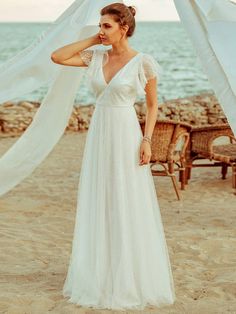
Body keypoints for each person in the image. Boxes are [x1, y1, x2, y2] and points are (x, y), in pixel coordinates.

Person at [51, 2, 176, 311]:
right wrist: (95, 40)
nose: (101, 30)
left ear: (125, 28)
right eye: (100, 25)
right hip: (100, 134)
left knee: (126, 198)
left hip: (126, 134)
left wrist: (146, 140)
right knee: (102, 197)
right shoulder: (95, 56)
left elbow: (151, 105)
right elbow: (57, 56)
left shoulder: (143, 62)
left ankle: (129, 274)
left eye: (106, 26)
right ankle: (101, 271)